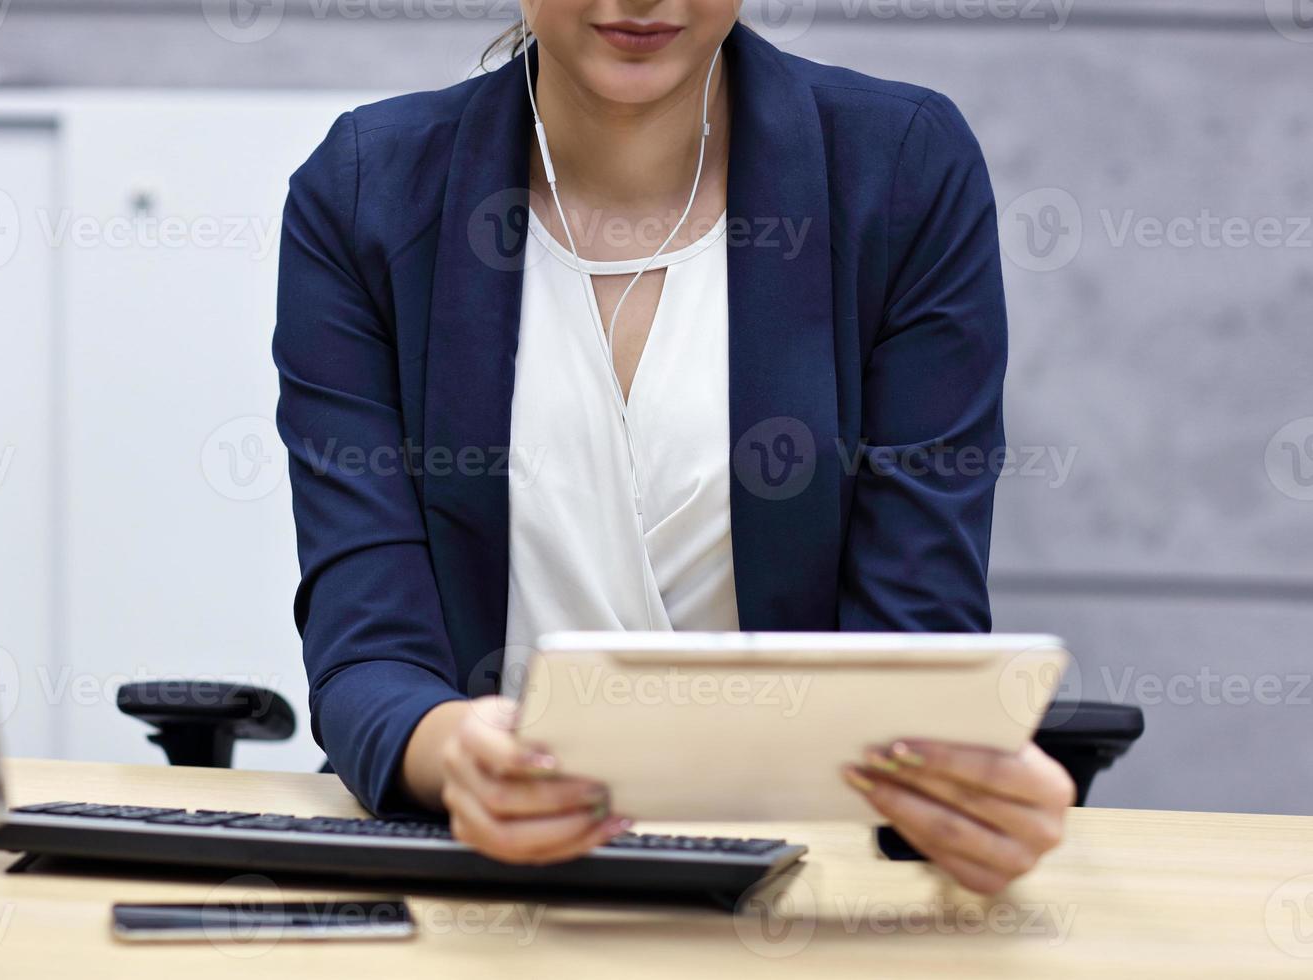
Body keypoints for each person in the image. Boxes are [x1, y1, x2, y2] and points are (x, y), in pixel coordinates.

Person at [273, 4, 1075, 894]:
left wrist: (966, 784)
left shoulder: (900, 170)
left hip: (806, 885)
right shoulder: (364, 192)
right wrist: (453, 752)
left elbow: (915, 636)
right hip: (476, 876)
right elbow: (366, 644)